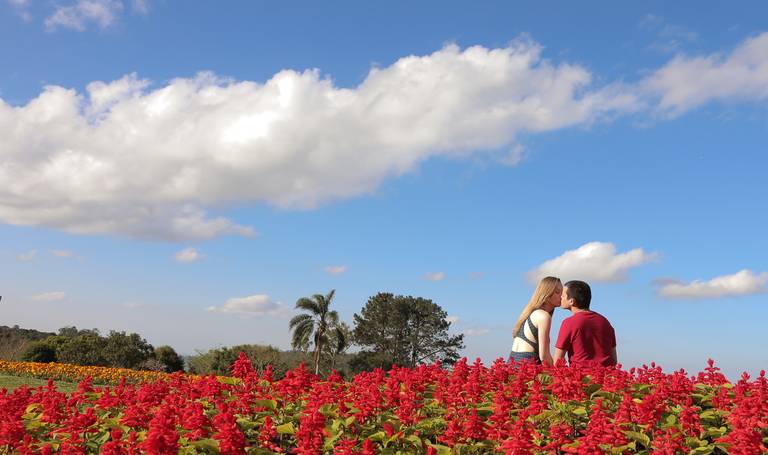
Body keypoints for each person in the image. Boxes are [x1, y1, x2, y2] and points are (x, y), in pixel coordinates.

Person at [554, 280, 617, 367]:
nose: (560, 297)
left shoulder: (569, 323)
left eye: (563, 295)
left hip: (581, 378)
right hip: (606, 377)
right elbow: (614, 360)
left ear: (571, 301)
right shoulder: (605, 322)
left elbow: (558, 361)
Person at [509, 276, 562, 365]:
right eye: (557, 292)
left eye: (562, 292)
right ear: (547, 295)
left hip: (511, 363)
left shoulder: (530, 313)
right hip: (527, 366)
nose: (561, 296)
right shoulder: (543, 316)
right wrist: (555, 371)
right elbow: (544, 356)